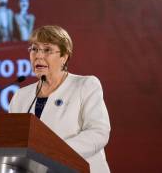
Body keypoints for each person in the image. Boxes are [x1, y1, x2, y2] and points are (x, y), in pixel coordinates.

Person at [9, 25, 111, 173]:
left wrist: (54, 152)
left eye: (47, 50)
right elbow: (14, 143)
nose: (38, 55)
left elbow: (98, 132)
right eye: (34, 49)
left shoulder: (85, 85)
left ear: (64, 56)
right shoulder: (21, 96)